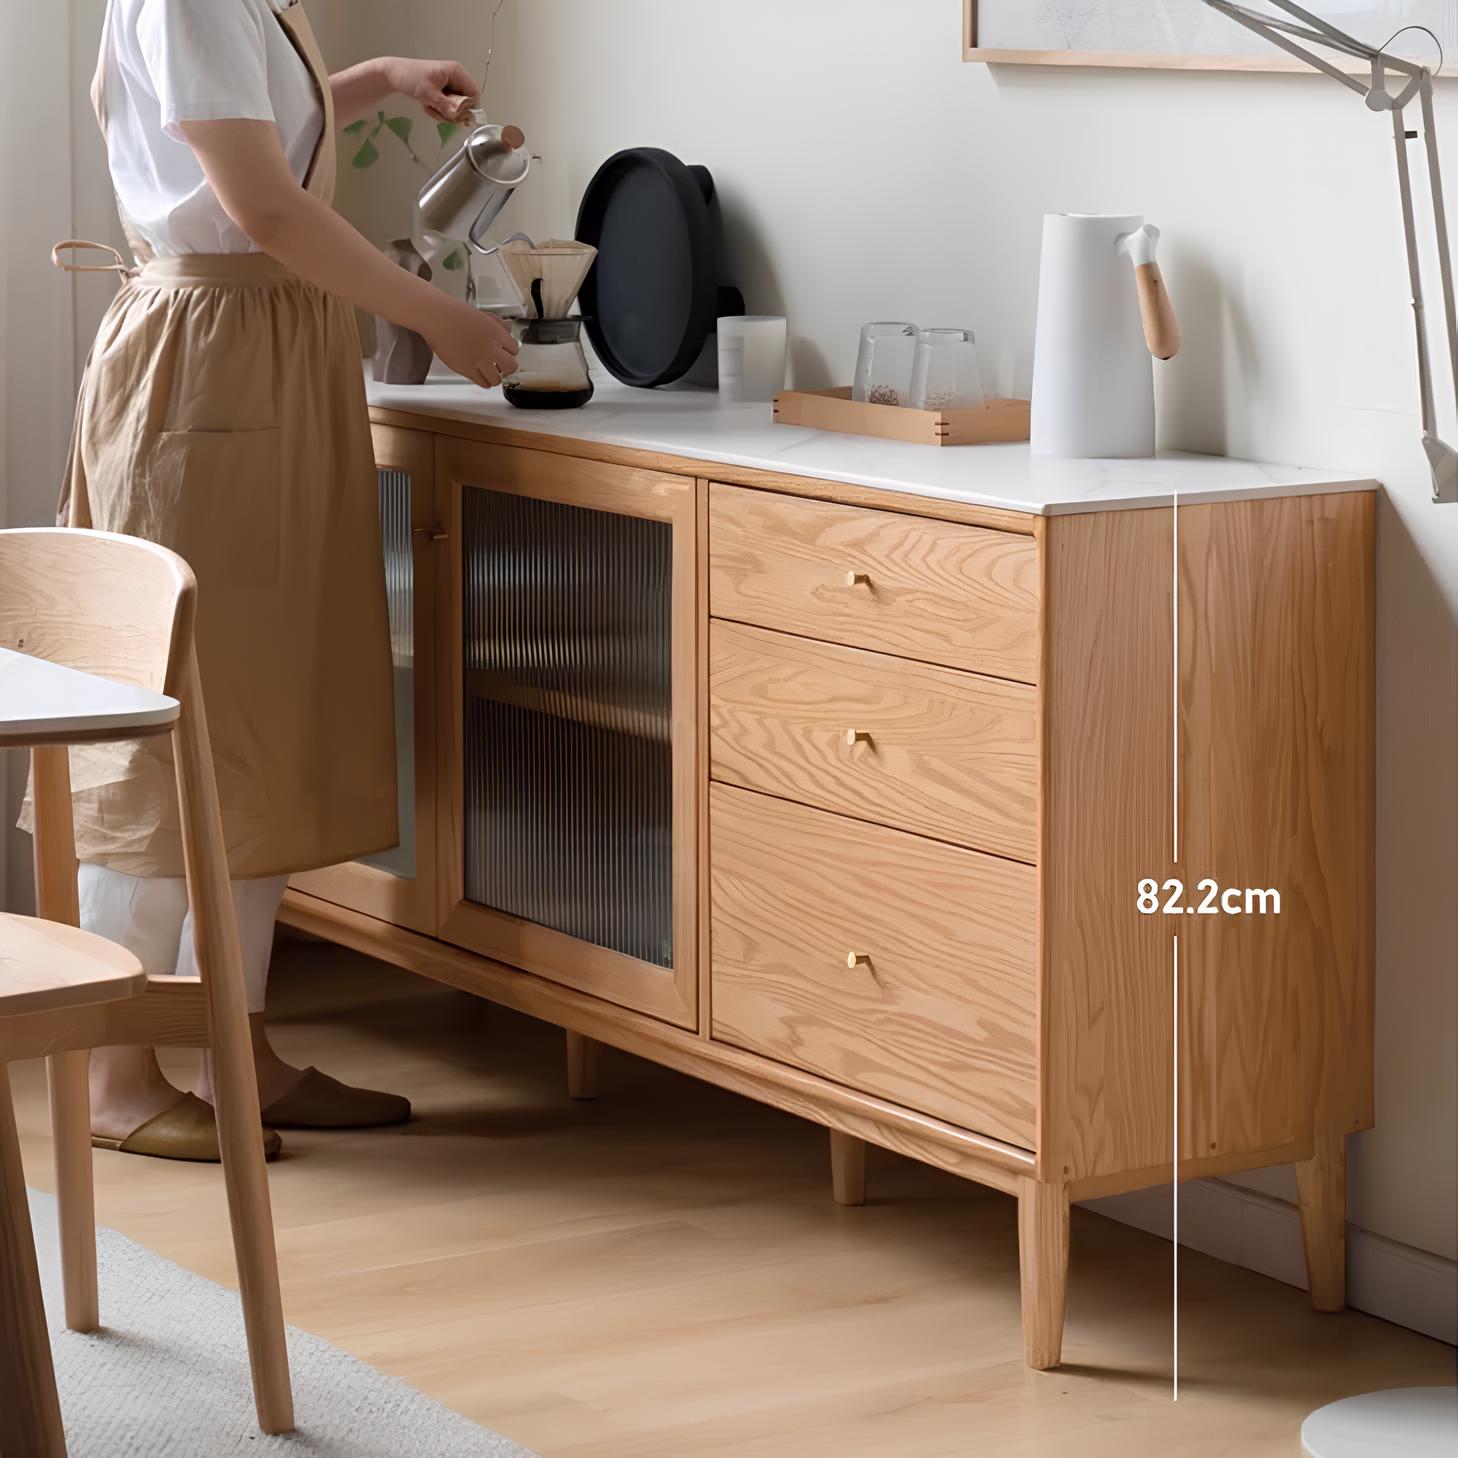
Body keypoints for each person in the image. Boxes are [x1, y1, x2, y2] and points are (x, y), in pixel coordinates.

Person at [32, 0, 517, 1161]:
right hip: (212, 359)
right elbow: (259, 205)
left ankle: (226, 1045)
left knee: (264, 724)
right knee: (177, 726)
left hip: (259, 347)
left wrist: (376, 79)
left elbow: (243, 133)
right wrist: (435, 316)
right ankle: (114, 1070)